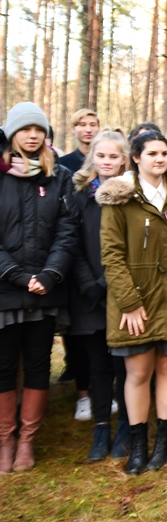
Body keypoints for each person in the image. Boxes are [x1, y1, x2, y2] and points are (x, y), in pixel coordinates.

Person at [97, 130, 167, 475]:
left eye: (164, 152)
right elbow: (111, 255)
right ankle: (138, 446)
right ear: (135, 157)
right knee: (138, 372)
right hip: (136, 300)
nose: (160, 158)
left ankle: (163, 444)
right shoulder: (118, 198)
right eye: (152, 153)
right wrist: (130, 303)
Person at [0, 102, 78, 473]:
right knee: (2, 367)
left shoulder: (59, 176)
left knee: (37, 364)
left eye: (39, 129)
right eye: (26, 129)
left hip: (46, 290)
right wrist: (16, 274)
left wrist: (49, 274)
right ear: (13, 133)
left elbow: (68, 230)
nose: (33, 135)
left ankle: (28, 441)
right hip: (5, 289)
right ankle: (5, 440)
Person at [70, 129, 132, 462]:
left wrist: (111, 282)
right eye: (101, 155)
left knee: (122, 365)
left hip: (119, 292)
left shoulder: (130, 195)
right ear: (92, 156)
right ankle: (100, 429)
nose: (107, 162)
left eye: (113, 156)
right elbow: (71, 241)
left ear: (124, 159)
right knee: (97, 366)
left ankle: (125, 428)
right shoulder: (79, 194)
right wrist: (89, 283)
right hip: (88, 294)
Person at [57, 108, 101, 400]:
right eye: (81, 125)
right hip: (74, 259)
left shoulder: (109, 166)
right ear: (73, 130)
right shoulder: (64, 165)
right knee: (76, 329)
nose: (87, 129)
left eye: (92, 124)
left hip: (101, 261)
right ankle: (76, 374)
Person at [59, 109, 100, 174]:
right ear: (73, 129)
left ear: (98, 128)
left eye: (93, 125)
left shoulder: (105, 163)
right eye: (83, 125)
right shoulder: (62, 163)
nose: (88, 130)